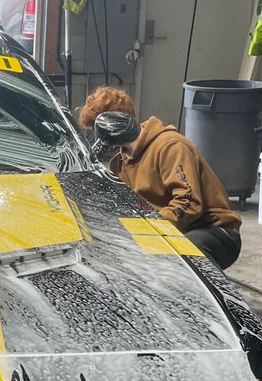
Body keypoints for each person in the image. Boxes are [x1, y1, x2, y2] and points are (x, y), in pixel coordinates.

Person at [78, 86, 243, 270]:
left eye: (100, 129)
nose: (99, 137)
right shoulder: (119, 163)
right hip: (169, 230)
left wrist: (145, 230)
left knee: (179, 259)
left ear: (117, 121)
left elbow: (189, 204)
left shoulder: (170, 146)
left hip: (212, 229)